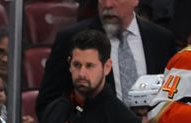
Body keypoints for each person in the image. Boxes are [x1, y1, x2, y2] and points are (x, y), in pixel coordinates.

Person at [36, 0, 175, 116]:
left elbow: (175, 98)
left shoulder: (161, 40)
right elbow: (48, 104)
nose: (108, 4)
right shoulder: (71, 39)